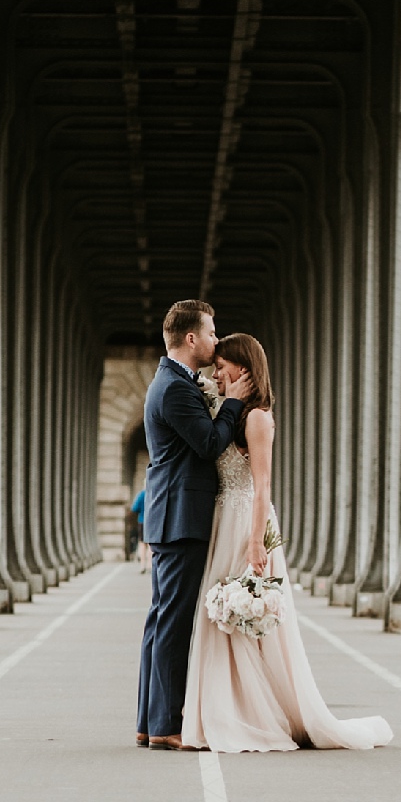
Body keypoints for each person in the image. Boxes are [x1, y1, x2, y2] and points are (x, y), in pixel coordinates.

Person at [181, 332, 393, 753]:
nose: (216, 373)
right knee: (219, 618)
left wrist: (257, 543)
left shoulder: (258, 418)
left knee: (246, 622)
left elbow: (262, 486)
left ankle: (254, 715)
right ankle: (223, 713)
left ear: (242, 368)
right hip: (224, 521)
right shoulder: (229, 409)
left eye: (222, 366)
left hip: (247, 522)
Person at [136, 300, 253, 749]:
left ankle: (150, 721)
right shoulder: (175, 389)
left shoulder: (172, 382)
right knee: (174, 622)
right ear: (190, 339)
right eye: (210, 332)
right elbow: (206, 445)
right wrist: (234, 405)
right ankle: (166, 726)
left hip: (171, 513)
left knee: (161, 620)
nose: (215, 340)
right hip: (182, 516)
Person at [130, 486, 150, 571]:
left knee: (142, 543)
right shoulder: (154, 492)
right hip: (153, 521)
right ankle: (150, 564)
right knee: (151, 544)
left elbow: (134, 508)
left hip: (142, 521)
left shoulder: (142, 494)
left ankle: (142, 565)